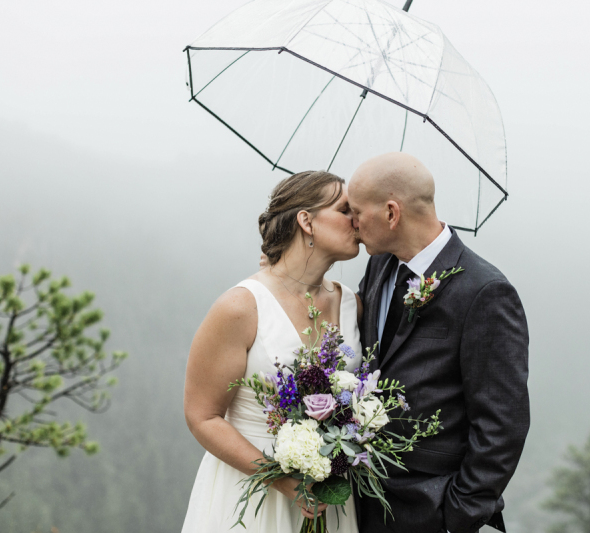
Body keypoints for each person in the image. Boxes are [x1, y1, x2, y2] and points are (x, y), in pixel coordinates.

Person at [348, 153, 530, 533]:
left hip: (431, 512)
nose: (352, 224)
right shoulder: (379, 266)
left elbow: (502, 424)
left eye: (356, 212)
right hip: (361, 505)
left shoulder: (485, 292)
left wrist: (457, 516)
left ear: (391, 214)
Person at [181, 171, 362, 533]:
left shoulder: (351, 303)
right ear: (306, 221)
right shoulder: (240, 307)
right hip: (252, 498)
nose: (357, 220)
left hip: (331, 499)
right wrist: (281, 479)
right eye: (345, 209)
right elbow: (202, 416)